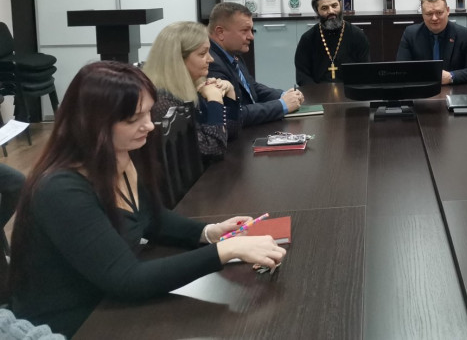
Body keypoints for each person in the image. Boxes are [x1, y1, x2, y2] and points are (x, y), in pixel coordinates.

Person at [9, 62, 286, 337]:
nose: (149, 125)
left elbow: (150, 217)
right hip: (70, 324)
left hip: (109, 306)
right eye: (133, 119)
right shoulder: (61, 190)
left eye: (148, 113)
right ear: (93, 123)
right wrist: (225, 250)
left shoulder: (117, 156)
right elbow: (128, 279)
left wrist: (208, 232)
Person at [144, 21, 239, 161]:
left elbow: (229, 132)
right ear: (178, 60)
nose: (211, 59)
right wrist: (215, 101)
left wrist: (230, 94)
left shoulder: (194, 85)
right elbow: (214, 149)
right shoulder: (164, 103)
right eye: (203, 54)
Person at [207, 2, 303, 125]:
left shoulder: (233, 53)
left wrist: (284, 95)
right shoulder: (210, 63)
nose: (251, 37)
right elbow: (234, 115)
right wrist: (282, 105)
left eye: (251, 30)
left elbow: (252, 88)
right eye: (244, 30)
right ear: (220, 32)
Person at [396, 0, 467, 85]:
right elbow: (401, 70)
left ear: (448, 11)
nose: (434, 18)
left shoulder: (464, 35)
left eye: (439, 13)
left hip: (454, 89)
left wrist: (451, 76)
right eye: (429, 14)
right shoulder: (411, 34)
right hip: (422, 88)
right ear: (422, 14)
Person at [294, 0, 370, 85]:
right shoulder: (308, 39)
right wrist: (316, 92)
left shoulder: (357, 35)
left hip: (350, 90)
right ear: (317, 11)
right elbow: (302, 75)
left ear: (340, 5)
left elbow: (364, 70)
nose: (331, 11)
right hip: (317, 91)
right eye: (324, 8)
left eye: (334, 6)